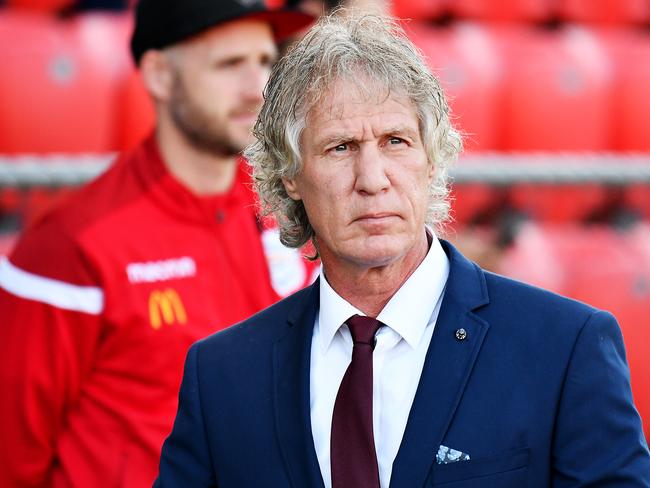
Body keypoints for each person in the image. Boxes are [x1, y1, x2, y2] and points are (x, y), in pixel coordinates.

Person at [155, 11, 650, 488]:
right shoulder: (221, 375)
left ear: (433, 160)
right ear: (290, 176)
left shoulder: (565, 348)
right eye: (340, 147)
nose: (372, 180)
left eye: (395, 142)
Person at [0, 1, 314, 486]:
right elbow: (12, 458)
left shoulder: (297, 210)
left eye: (265, 61)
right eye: (229, 64)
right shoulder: (72, 245)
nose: (258, 88)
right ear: (160, 76)